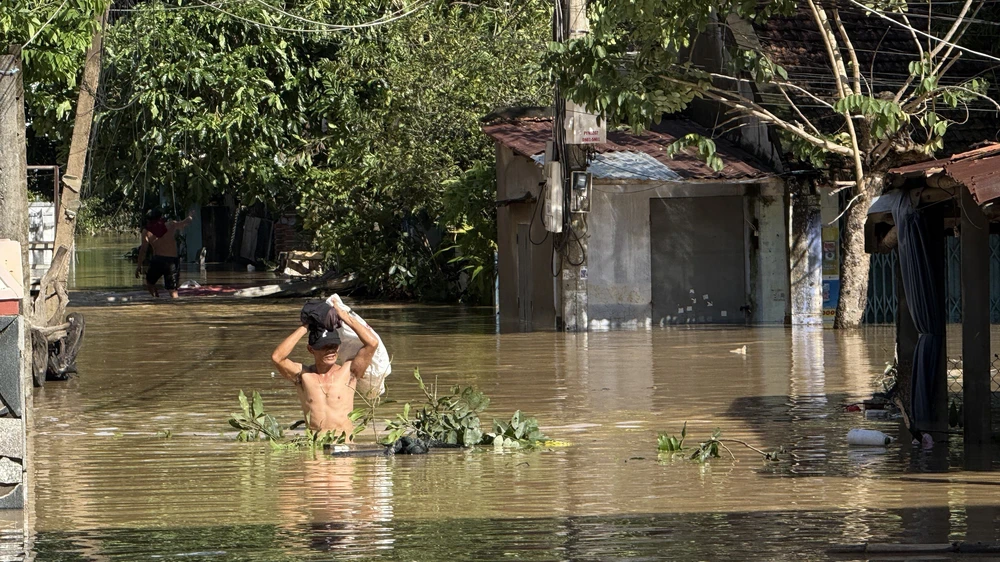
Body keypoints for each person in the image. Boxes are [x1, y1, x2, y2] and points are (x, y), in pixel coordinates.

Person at [271, 298, 378, 438]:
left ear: (338, 347)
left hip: (343, 445)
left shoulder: (349, 371)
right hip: (315, 446)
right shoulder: (303, 375)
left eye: (333, 346)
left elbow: (372, 343)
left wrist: (345, 316)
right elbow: (277, 357)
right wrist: (306, 326)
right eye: (325, 347)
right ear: (311, 349)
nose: (331, 351)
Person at [136, 208, 194, 298]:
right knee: (172, 290)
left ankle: (157, 300)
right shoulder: (170, 225)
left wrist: (139, 266)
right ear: (160, 217)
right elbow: (185, 223)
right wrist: (190, 216)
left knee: (150, 283)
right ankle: (176, 307)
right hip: (172, 261)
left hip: (157, 260)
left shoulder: (146, 231)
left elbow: (143, 250)